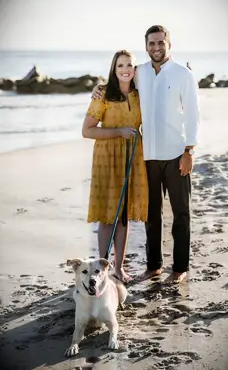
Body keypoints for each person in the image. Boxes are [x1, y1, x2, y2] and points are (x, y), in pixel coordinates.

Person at [92, 25, 200, 283]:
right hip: (147, 157)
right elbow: (120, 80)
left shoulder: (183, 74)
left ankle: (180, 267)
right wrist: (98, 88)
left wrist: (189, 151)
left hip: (176, 154)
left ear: (169, 44)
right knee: (152, 215)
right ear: (146, 46)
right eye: (151, 43)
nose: (156, 47)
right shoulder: (139, 72)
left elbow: (194, 116)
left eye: (160, 42)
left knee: (181, 213)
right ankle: (154, 265)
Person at [82, 50, 148, 283]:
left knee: (123, 217)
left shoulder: (141, 93)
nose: (125, 69)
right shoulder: (103, 94)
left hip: (132, 157)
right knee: (108, 216)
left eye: (129, 64)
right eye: (120, 65)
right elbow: (87, 130)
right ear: (114, 68)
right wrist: (119, 132)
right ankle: (101, 268)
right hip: (107, 158)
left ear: (135, 68)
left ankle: (118, 268)